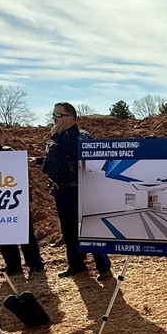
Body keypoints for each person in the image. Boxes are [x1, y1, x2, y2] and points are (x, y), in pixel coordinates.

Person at [41, 103, 112, 280]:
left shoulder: (82, 136)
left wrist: (56, 136)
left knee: (89, 228)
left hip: (79, 189)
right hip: (60, 191)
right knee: (68, 231)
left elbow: (79, 151)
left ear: (71, 117)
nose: (55, 118)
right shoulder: (58, 138)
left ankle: (103, 266)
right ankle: (76, 264)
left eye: (59, 114)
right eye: (53, 114)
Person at [0, 123, 46, 276]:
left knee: (25, 232)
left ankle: (35, 263)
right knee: (3, 233)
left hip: (14, 199)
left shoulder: (10, 153)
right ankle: (13, 266)